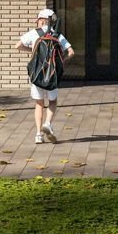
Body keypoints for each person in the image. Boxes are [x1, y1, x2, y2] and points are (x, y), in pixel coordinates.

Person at [16, 9, 74, 144]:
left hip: (37, 75)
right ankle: (47, 123)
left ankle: (38, 135)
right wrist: (61, 61)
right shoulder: (58, 35)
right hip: (52, 75)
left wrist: (33, 51)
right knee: (52, 102)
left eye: (38, 20)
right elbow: (71, 52)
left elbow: (17, 46)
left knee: (39, 104)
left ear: (41, 20)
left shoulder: (34, 33)